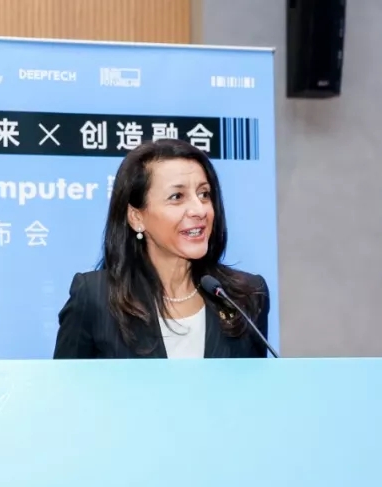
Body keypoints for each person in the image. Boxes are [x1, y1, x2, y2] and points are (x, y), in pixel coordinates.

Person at [52, 138, 271, 359]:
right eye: (177, 197)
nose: (199, 210)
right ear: (136, 217)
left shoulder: (246, 297)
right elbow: (65, 382)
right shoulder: (94, 299)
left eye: (204, 194)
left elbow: (256, 382)